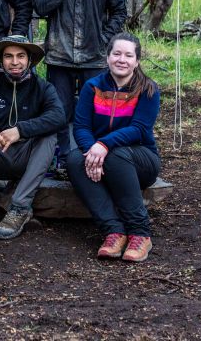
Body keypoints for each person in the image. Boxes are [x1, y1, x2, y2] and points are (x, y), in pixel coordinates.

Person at [32, 0, 127, 169]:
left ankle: (92, 158)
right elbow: (41, 7)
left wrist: (104, 39)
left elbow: (119, 11)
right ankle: (63, 161)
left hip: (94, 58)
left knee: (97, 111)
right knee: (60, 113)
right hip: (59, 57)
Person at [0, 35, 65, 240]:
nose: (14, 62)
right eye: (8, 56)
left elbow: (58, 116)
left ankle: (19, 207)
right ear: (1, 61)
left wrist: (21, 130)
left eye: (20, 56)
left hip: (27, 156)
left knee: (49, 137)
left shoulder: (42, 87)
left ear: (30, 60)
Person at [67, 32, 161, 262]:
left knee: (116, 154)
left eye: (129, 55)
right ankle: (114, 231)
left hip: (141, 160)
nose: (122, 59)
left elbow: (139, 129)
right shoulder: (92, 87)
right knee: (74, 160)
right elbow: (80, 126)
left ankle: (140, 233)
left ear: (137, 61)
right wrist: (92, 152)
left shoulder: (148, 89)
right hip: (102, 156)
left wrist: (103, 144)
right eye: (117, 53)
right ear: (107, 57)